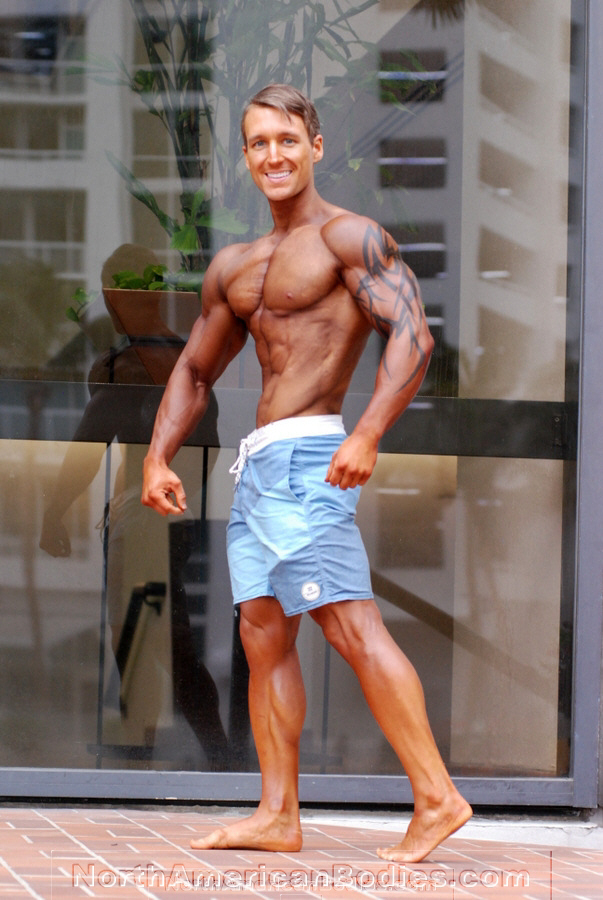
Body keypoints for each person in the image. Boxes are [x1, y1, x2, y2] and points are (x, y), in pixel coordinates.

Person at [141, 83, 472, 862]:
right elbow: (194, 369)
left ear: (315, 147)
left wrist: (367, 433)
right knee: (261, 635)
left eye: (287, 139)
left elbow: (412, 336)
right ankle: (277, 813)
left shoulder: (349, 239)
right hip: (258, 465)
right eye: (258, 143)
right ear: (246, 155)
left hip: (311, 458)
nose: (274, 155)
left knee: (350, 623)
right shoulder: (235, 265)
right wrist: (157, 455)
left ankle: (436, 796)